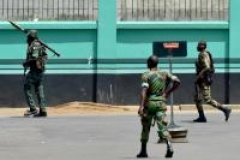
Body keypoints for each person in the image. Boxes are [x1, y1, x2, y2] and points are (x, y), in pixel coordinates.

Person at [137, 55, 180, 158]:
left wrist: (141, 106)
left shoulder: (146, 75)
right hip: (161, 103)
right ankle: (169, 146)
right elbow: (177, 81)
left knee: (145, 126)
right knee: (163, 126)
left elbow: (144, 91)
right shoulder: (165, 73)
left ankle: (143, 151)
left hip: (150, 104)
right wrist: (167, 92)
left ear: (149, 63)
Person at [193, 41, 231, 122]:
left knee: (207, 99)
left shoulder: (204, 54)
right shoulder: (201, 54)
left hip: (204, 80)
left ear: (204, 46)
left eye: (200, 45)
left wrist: (199, 76)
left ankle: (225, 109)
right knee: (197, 98)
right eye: (198, 45)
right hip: (200, 80)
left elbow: (207, 67)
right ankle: (202, 116)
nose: (198, 46)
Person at [23, 30, 48, 117]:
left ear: (31, 37)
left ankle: (33, 109)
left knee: (27, 87)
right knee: (39, 89)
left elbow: (35, 58)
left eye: (28, 36)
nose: (27, 38)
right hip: (40, 71)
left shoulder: (35, 45)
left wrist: (26, 63)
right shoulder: (39, 44)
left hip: (34, 71)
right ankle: (43, 110)